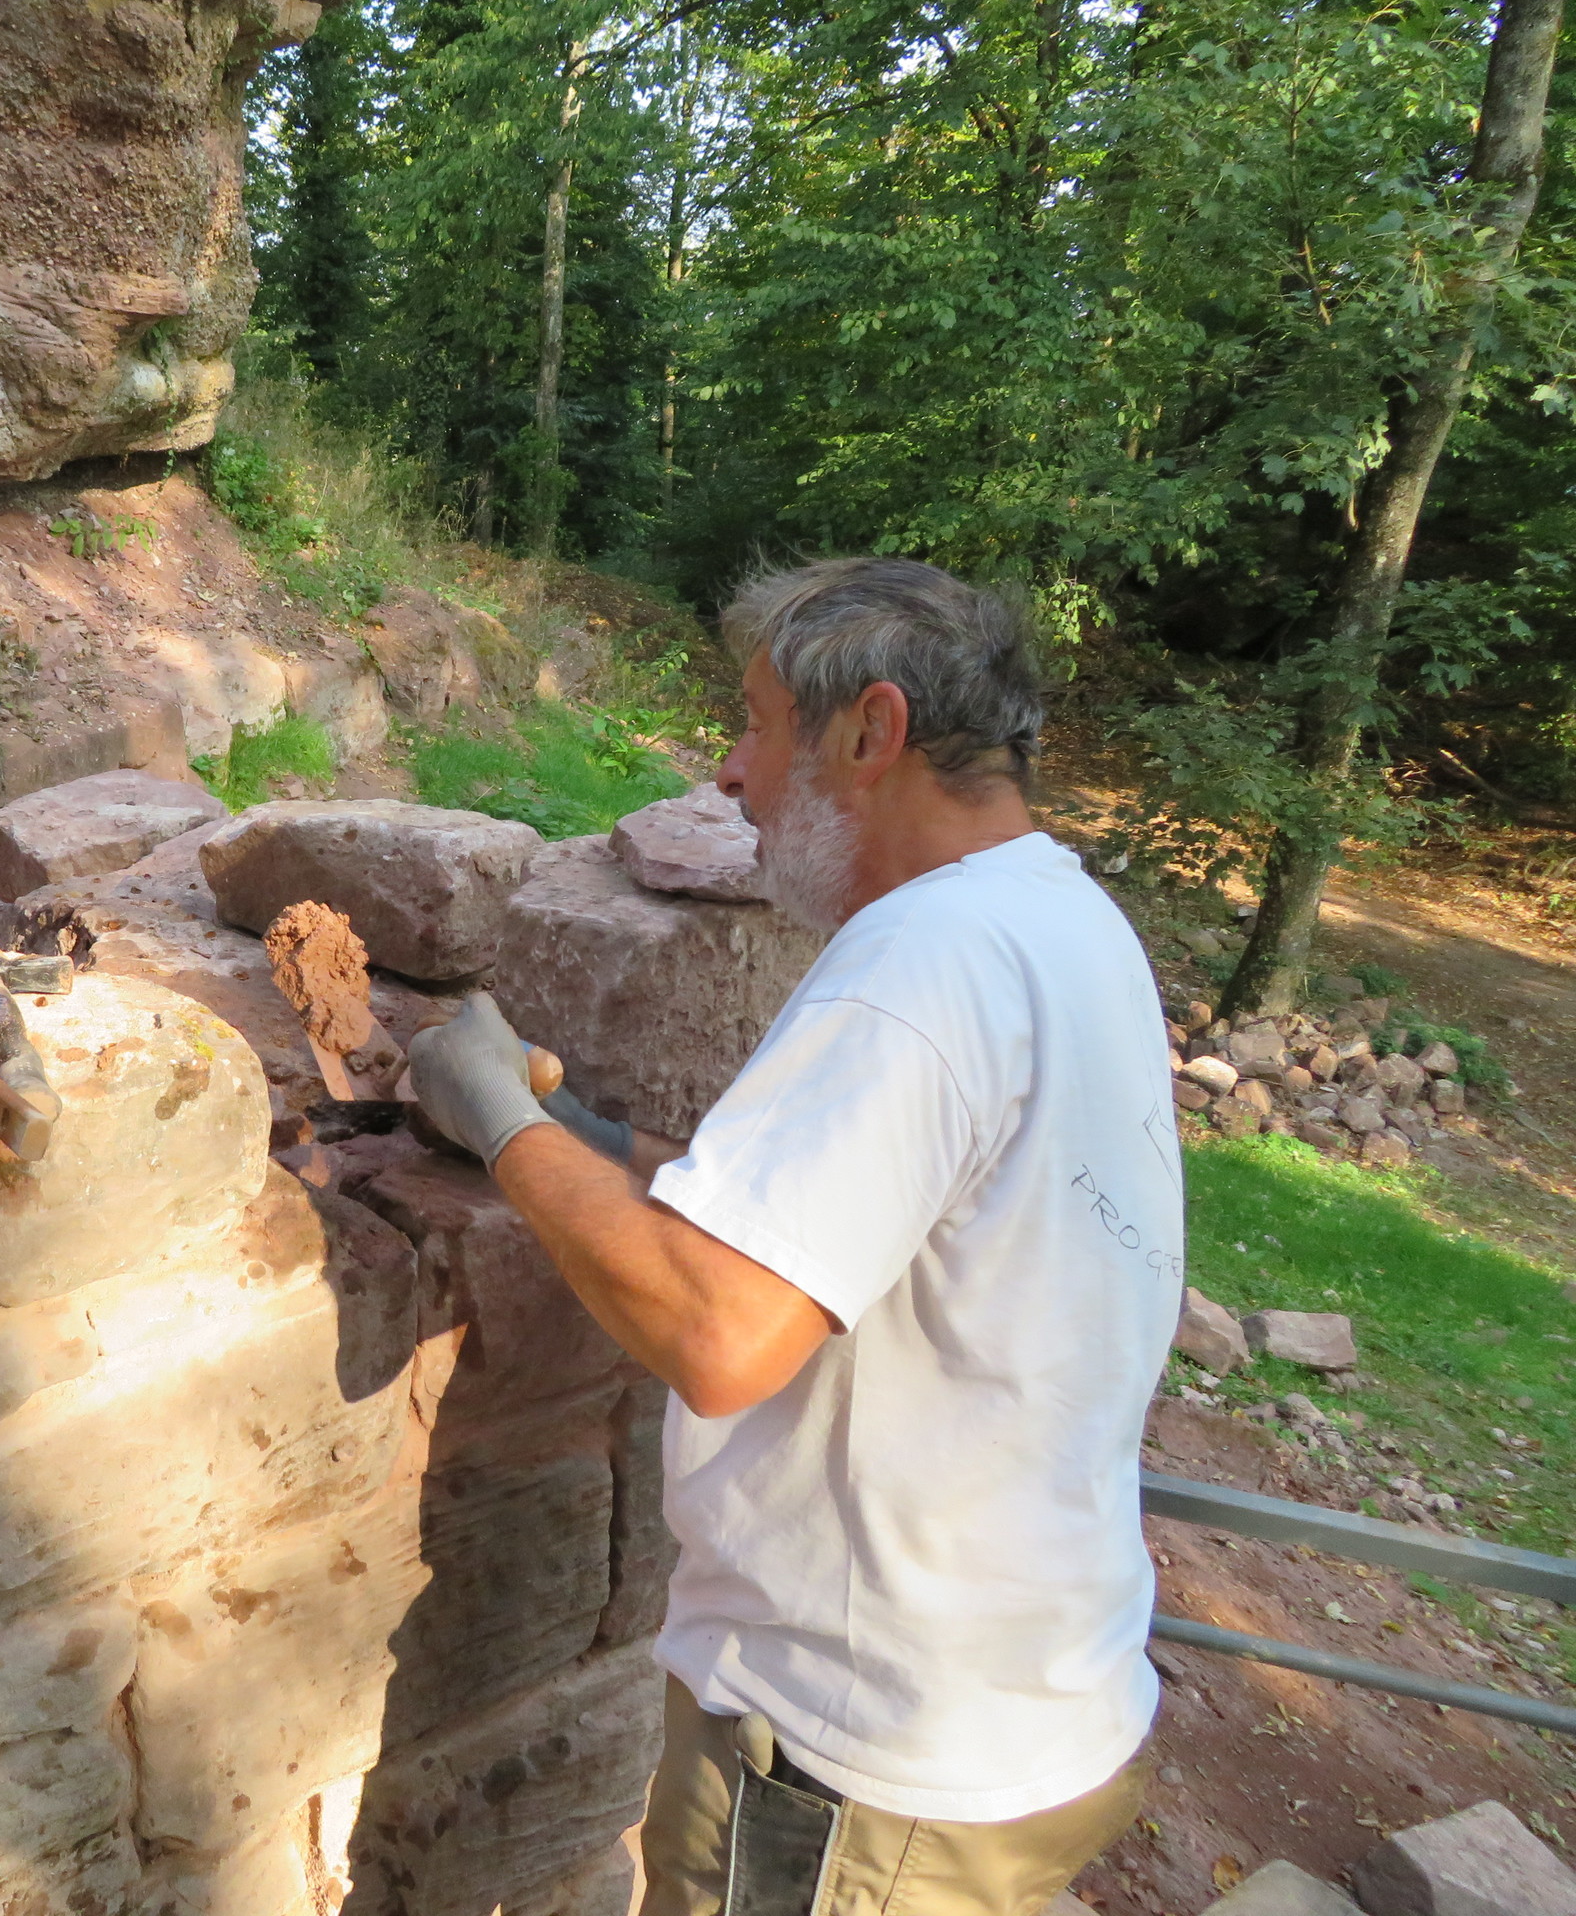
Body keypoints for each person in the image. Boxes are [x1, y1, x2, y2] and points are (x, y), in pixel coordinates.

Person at [407, 558, 1183, 1916]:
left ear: (871, 731)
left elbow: (723, 1333)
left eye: (760, 725)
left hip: (863, 1758)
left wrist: (502, 1124)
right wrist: (588, 1143)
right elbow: (845, 1228)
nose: (729, 770)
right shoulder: (1060, 921)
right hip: (1025, 1707)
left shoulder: (921, 967)